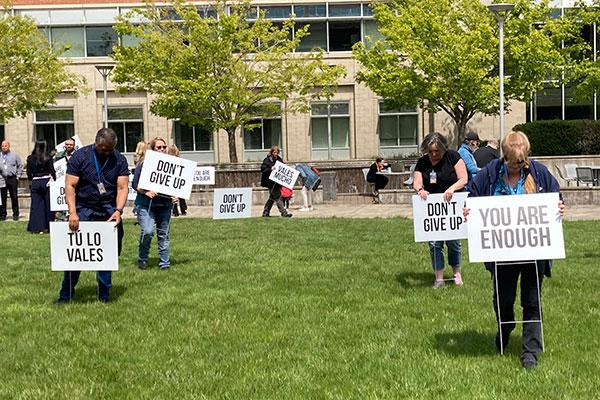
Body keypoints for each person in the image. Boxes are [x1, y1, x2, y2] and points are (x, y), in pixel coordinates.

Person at [465, 130, 566, 369]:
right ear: (504, 157)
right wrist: (469, 211)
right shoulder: (489, 174)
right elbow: (472, 196)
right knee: (503, 299)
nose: (516, 167)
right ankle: (506, 326)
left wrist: (560, 207)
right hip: (502, 254)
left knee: (532, 301)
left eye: (520, 163)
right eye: (512, 164)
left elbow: (556, 196)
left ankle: (530, 351)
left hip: (534, 252)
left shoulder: (539, 173)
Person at [55, 128, 129, 304]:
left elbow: (122, 187)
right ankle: (66, 295)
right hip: (84, 208)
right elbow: (70, 185)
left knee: (108, 253)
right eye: (103, 148)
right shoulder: (80, 156)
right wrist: (72, 213)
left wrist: (118, 211)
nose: (106, 152)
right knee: (75, 254)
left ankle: (104, 295)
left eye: (110, 149)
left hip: (108, 210)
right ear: (96, 143)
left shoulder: (119, 159)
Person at [413, 132, 468, 289]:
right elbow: (417, 181)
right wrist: (420, 190)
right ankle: (439, 277)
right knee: (434, 243)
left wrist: (451, 189)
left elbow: (463, 178)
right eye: (430, 151)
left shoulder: (453, 157)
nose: (434, 154)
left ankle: (456, 273)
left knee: (453, 242)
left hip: (451, 206)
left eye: (437, 151)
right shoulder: (423, 162)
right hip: (432, 208)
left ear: (443, 149)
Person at [132, 137, 177, 270]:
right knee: (148, 231)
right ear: (152, 149)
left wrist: (176, 196)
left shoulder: (172, 165)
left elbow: (176, 185)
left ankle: (165, 263)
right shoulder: (143, 164)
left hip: (165, 205)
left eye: (164, 147)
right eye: (159, 147)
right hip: (146, 205)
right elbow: (135, 184)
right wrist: (146, 191)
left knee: (164, 234)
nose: (162, 149)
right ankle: (143, 258)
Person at [26, 141, 56, 233]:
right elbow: (52, 170)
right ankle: (49, 226)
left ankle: (37, 227)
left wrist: (32, 178)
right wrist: (54, 178)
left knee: (36, 206)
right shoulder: (47, 157)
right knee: (48, 205)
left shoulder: (30, 158)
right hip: (46, 181)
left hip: (36, 181)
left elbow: (28, 172)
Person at [260, 145, 292, 218]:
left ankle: (265, 212)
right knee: (277, 197)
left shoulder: (279, 159)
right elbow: (263, 169)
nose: (276, 154)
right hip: (270, 183)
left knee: (271, 198)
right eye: (274, 152)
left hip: (277, 183)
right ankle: (284, 213)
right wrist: (271, 168)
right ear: (271, 152)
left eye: (277, 152)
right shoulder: (267, 160)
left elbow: (283, 168)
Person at [1, 140, 24, 221]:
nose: (4, 147)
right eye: (2, 146)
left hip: (12, 178)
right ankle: (3, 214)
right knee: (3, 198)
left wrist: (18, 176)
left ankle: (16, 214)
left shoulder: (14, 155)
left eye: (5, 146)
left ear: (8, 146)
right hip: (2, 179)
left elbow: (20, 165)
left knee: (14, 196)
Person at [168, 144, 187, 217]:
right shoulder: (179, 160)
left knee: (173, 197)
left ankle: (175, 211)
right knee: (181, 196)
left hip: (172, 180)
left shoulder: (168, 160)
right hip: (178, 180)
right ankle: (183, 210)